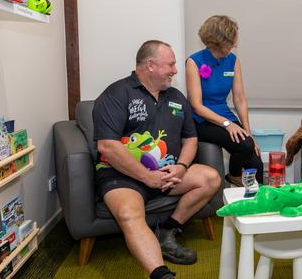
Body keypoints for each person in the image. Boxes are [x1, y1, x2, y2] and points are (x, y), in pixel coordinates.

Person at [93, 40, 222, 279]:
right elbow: (107, 146)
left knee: (211, 178)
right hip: (123, 177)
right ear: (150, 65)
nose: (175, 70)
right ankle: (161, 274)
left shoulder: (175, 96)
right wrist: (147, 177)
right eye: (170, 64)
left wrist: (182, 167)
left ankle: (168, 232)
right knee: (129, 214)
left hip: (167, 175)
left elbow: (190, 139)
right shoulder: (117, 93)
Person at [185, 15, 263, 186]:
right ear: (219, 41)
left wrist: (247, 130)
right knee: (245, 145)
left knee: (256, 163)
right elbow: (197, 106)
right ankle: (234, 176)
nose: (234, 44)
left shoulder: (233, 61)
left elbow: (240, 99)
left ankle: (256, 209)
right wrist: (227, 124)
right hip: (201, 120)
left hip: (224, 114)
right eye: (231, 40)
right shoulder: (194, 62)